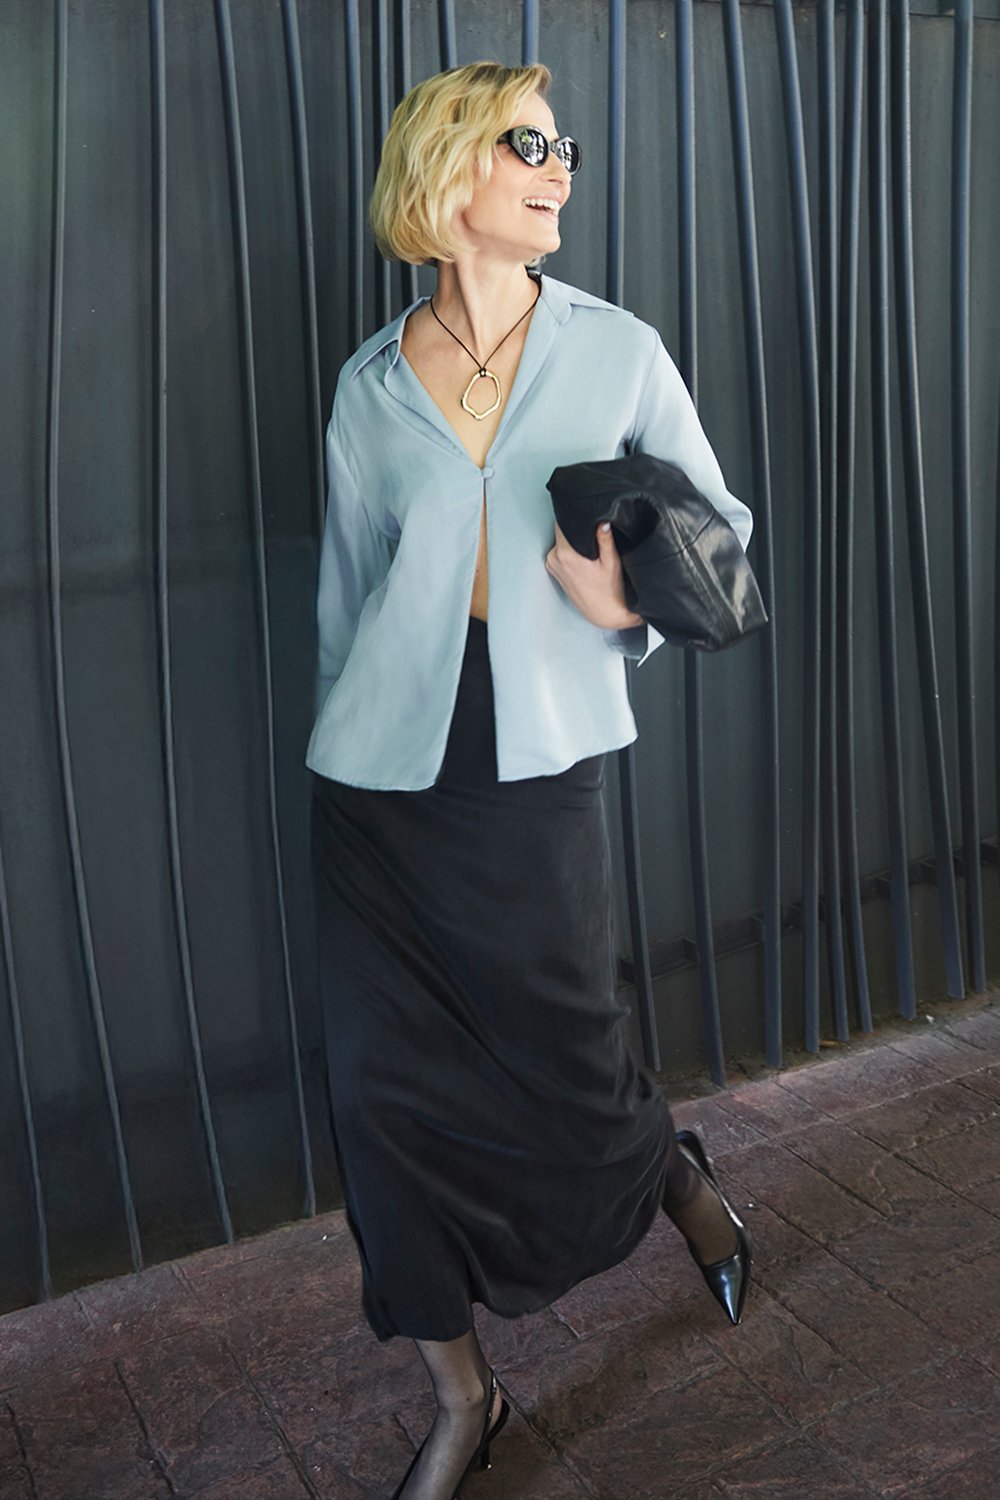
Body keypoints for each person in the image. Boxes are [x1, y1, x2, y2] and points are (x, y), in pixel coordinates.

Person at [307, 59, 753, 1500]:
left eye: (565, 149)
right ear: (450, 169)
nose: (561, 168)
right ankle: (463, 1399)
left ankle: (668, 1175)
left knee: (571, 1060)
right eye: (530, 144)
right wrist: (348, 734)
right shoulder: (372, 386)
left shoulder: (618, 350)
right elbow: (346, 600)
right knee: (380, 1097)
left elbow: (722, 529)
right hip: (382, 787)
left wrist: (621, 608)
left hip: (539, 753)